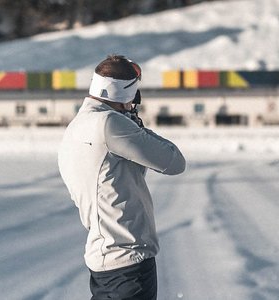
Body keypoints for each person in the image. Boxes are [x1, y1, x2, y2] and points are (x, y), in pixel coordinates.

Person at [57, 55, 186, 300]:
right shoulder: (110, 123)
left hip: (102, 257)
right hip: (129, 260)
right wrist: (137, 127)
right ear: (128, 94)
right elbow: (174, 162)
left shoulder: (75, 127)